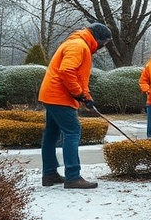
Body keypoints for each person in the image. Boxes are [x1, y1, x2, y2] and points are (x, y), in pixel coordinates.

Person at [39, 22, 112, 189]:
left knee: (51, 134)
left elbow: (79, 77)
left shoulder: (78, 43)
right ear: (99, 39)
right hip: (59, 96)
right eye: (105, 43)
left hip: (52, 95)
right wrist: (78, 94)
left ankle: (49, 174)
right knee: (73, 131)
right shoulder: (79, 45)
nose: (104, 47)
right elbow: (67, 71)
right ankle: (73, 176)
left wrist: (86, 97)